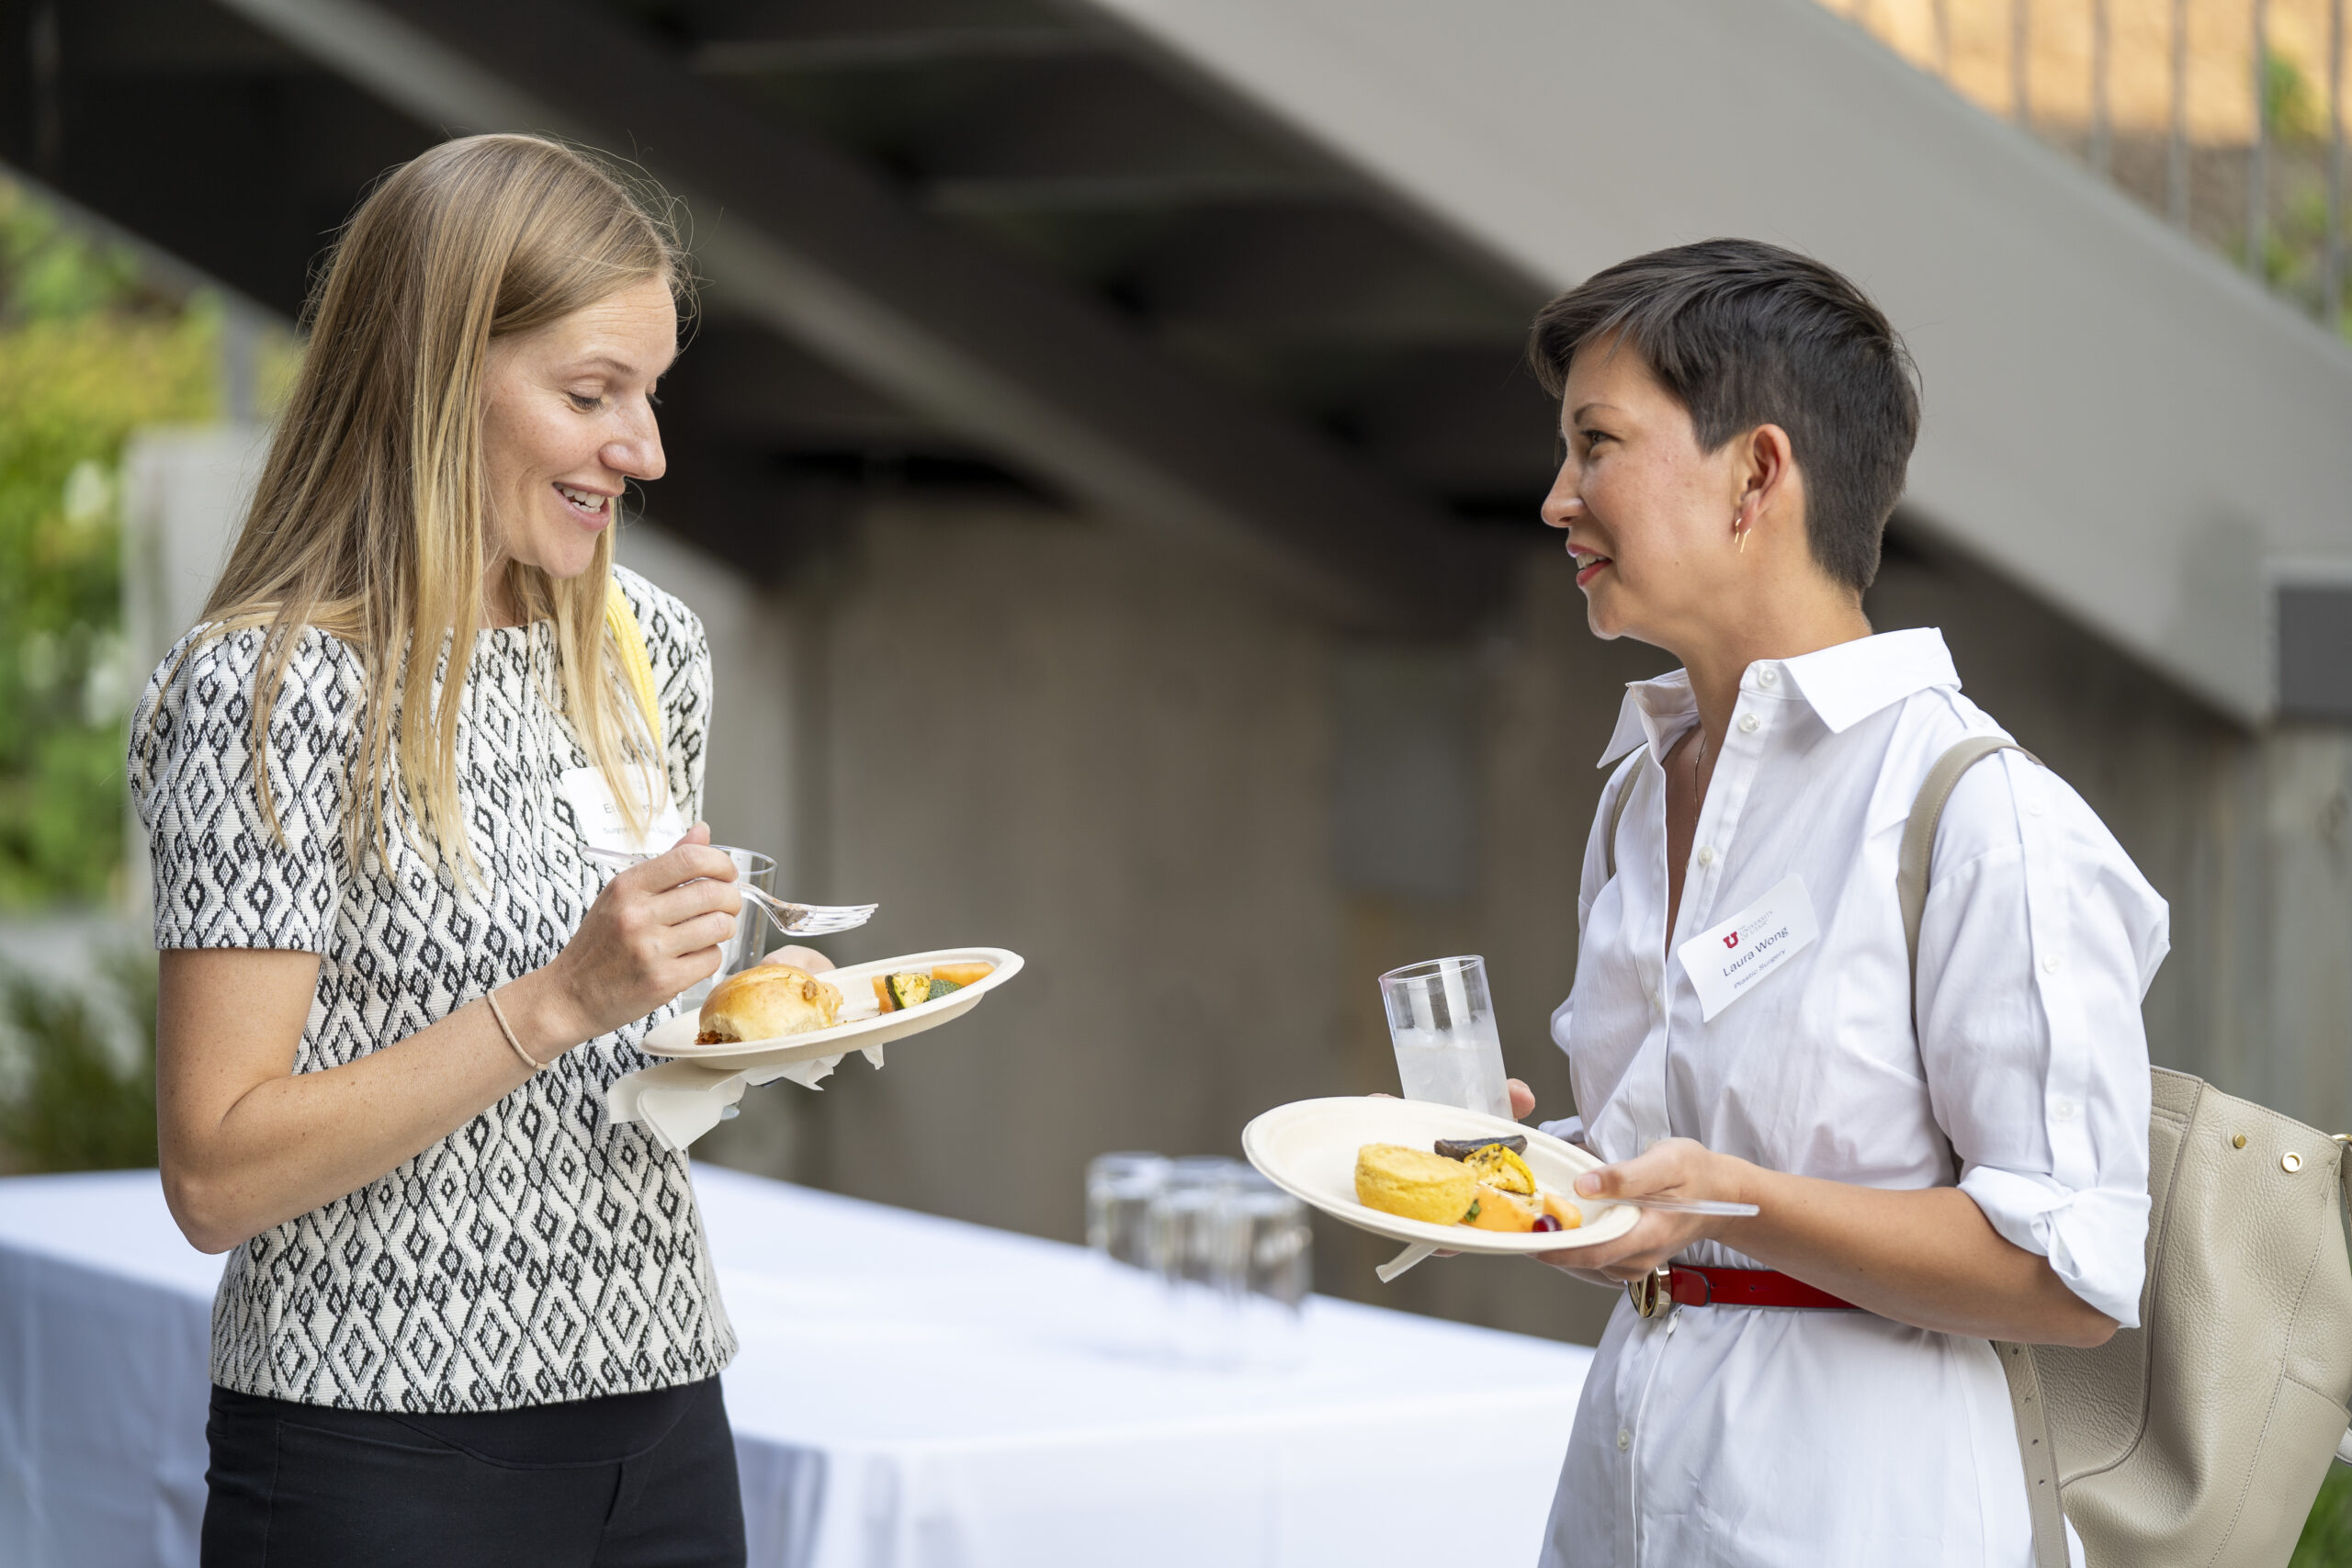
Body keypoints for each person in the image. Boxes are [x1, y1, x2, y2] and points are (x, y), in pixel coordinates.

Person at [130, 134, 797, 1566]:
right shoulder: (270, 697)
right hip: (376, 1455)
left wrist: (728, 1015)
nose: (647, 450)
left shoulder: (647, 652)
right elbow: (215, 1174)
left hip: (664, 1412)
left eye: (652, 393)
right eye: (590, 394)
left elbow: (630, 1057)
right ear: (439, 377)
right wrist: (558, 1000)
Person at [1516, 240, 2165, 1567]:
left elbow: (2073, 1269)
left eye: (1596, 444)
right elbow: (1693, 1148)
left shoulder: (1982, 812)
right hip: (1624, 1481)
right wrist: (1539, 1171)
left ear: (1757, 474)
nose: (1555, 499)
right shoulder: (1641, 785)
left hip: (1867, 1511)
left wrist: (1727, 1200)